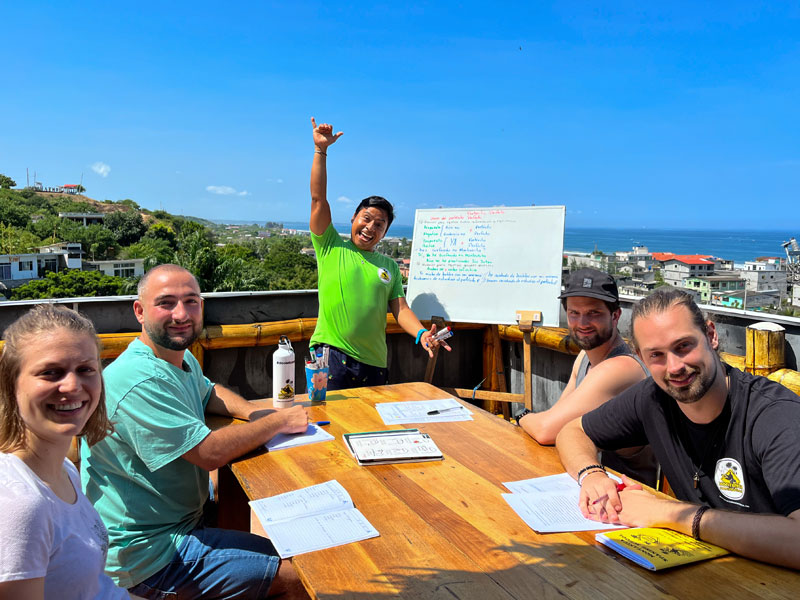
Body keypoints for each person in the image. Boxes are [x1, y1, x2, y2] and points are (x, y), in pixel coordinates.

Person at [81, 264, 309, 598]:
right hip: (150, 554)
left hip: (182, 517)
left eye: (191, 301)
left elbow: (208, 392)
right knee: (302, 577)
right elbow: (209, 453)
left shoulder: (179, 358)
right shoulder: (138, 379)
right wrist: (278, 421)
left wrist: (253, 413)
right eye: (166, 303)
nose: (181, 314)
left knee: (288, 534)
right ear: (139, 311)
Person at [556, 288, 800, 569]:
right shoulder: (651, 398)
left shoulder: (775, 416)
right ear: (641, 356)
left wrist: (669, 513)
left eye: (683, 346)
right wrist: (592, 475)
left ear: (711, 335)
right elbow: (573, 431)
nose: (674, 367)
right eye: (656, 355)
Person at [0, 305, 141, 599]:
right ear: (11, 383)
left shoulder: (64, 468)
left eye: (85, 370)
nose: (73, 385)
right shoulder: (21, 506)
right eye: (51, 373)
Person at [308, 117, 450, 390]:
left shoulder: (389, 267)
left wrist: (420, 333)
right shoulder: (330, 246)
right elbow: (318, 199)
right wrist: (321, 151)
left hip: (374, 363)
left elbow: (401, 309)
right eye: (366, 218)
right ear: (353, 218)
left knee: (371, 430)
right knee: (326, 423)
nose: (370, 227)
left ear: (384, 233)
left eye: (379, 224)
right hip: (330, 355)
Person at [516, 268, 656, 484]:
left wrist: (522, 416)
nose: (582, 323)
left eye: (594, 313)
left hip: (628, 496)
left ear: (615, 316)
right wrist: (540, 421)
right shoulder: (585, 357)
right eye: (574, 313)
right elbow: (556, 418)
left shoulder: (621, 367)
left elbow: (546, 430)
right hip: (588, 484)